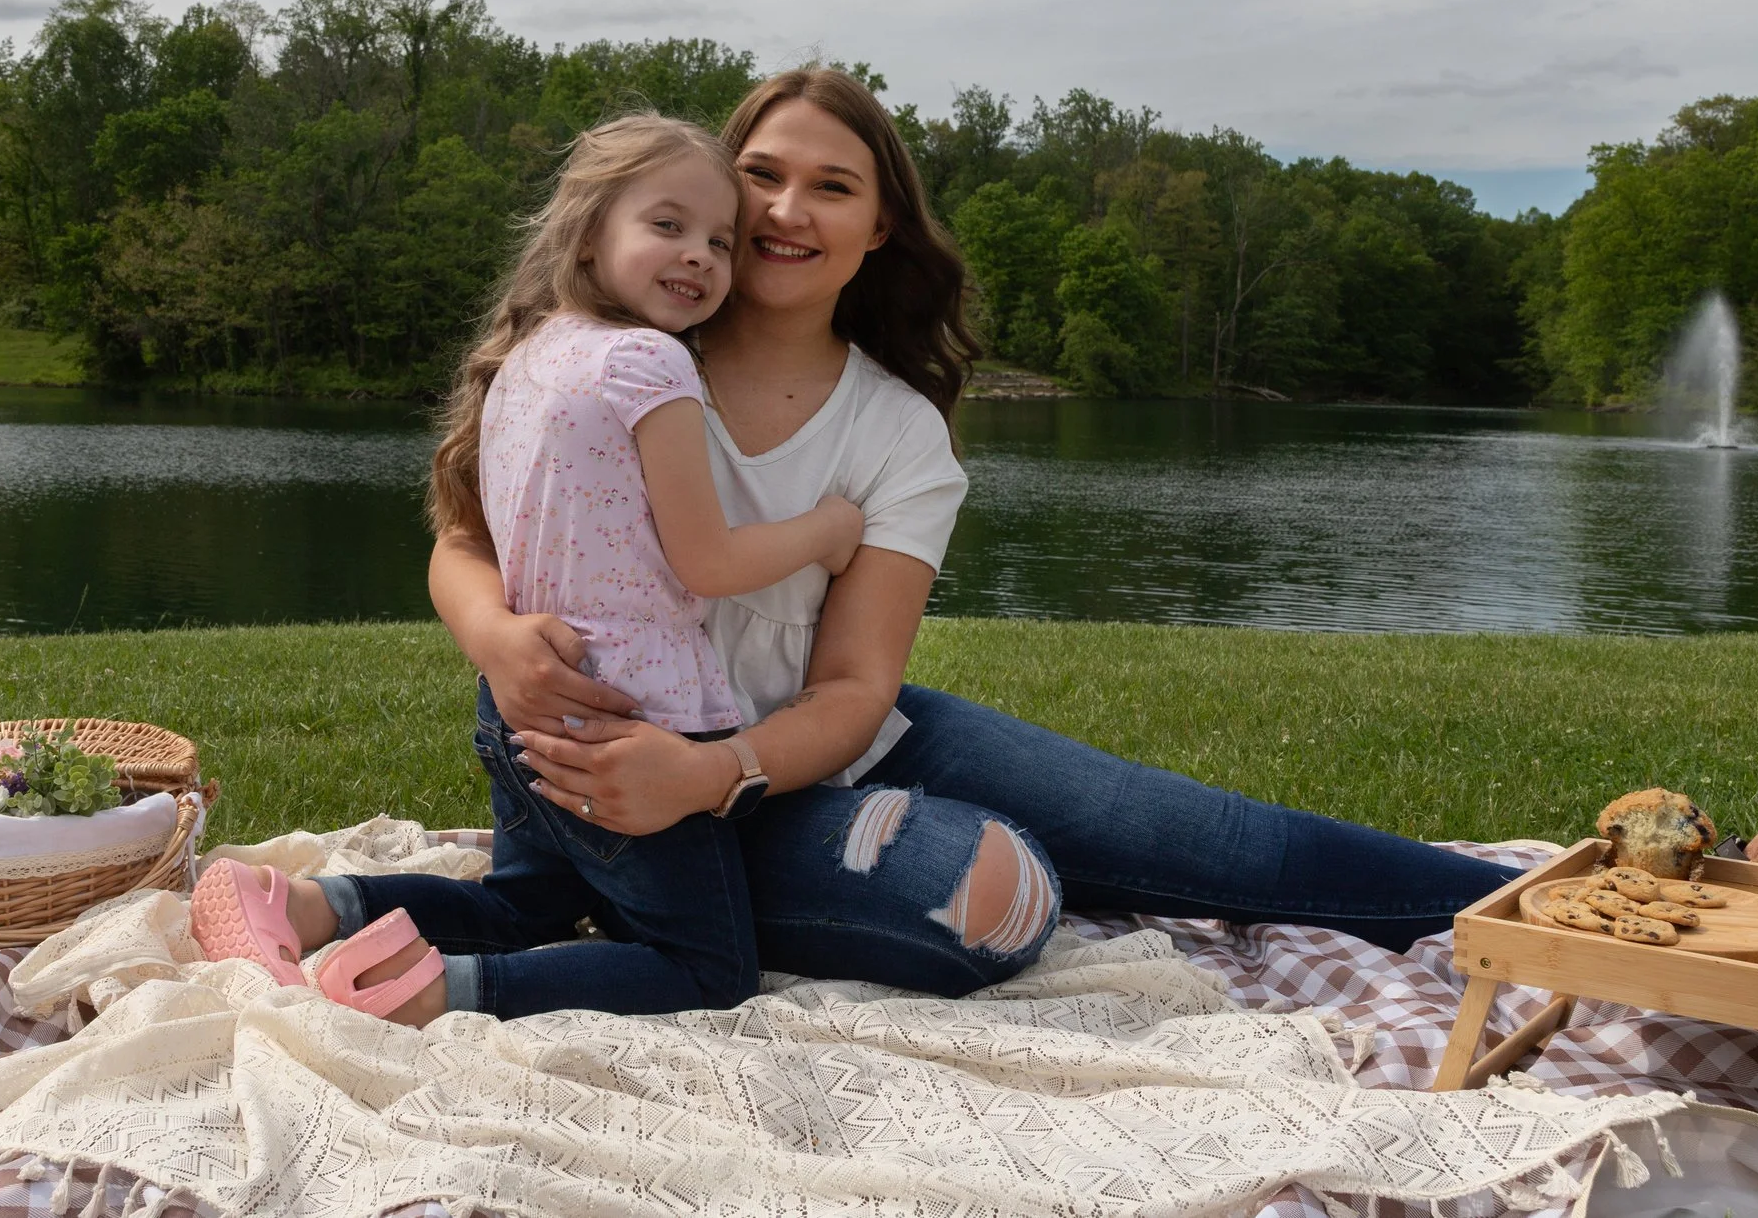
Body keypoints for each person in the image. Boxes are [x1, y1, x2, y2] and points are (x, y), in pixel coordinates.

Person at [407, 66, 1536, 996]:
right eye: (762, 176)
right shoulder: (621, 346)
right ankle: (640, 894)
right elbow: (464, 541)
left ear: (879, 227)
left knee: (1204, 837)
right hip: (626, 751)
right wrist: (495, 638)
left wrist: (709, 775)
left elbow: (853, 687)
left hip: (812, 745)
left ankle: (1545, 908)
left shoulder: (895, 428)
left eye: (832, 186)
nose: (787, 211)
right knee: (986, 898)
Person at [190, 113, 867, 1023]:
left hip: (517, 697)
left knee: (526, 906)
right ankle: (439, 993)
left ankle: (306, 904)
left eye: (720, 240)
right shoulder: (652, 361)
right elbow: (707, 560)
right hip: (631, 720)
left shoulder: (534, 349)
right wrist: (826, 529)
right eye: (667, 225)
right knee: (710, 969)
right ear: (589, 237)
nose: (700, 255)